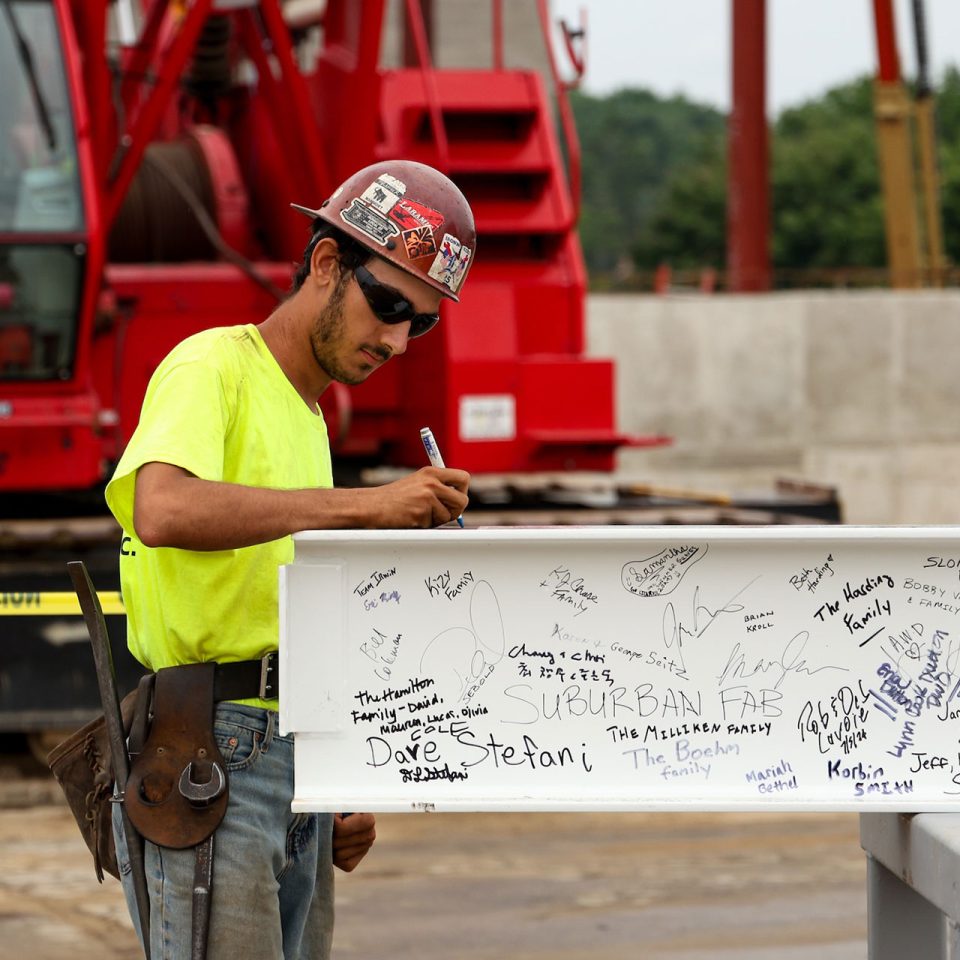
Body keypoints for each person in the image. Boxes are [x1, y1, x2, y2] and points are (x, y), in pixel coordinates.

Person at [105, 159, 475, 960]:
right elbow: (161, 507)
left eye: (422, 323)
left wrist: (343, 778)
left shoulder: (307, 417)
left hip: (292, 755)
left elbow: (292, 606)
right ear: (326, 264)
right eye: (386, 307)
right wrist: (368, 507)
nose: (398, 340)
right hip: (210, 749)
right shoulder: (215, 368)